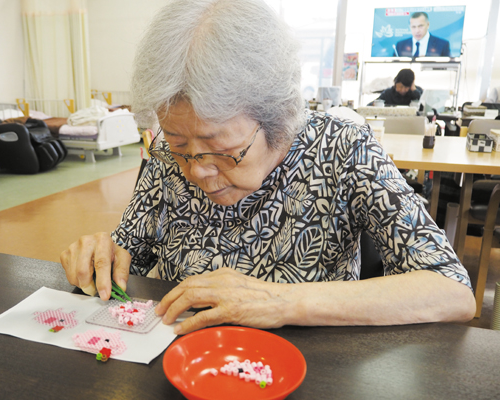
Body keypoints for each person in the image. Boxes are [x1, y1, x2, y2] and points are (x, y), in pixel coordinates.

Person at [61, 0, 475, 335]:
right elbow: (130, 251)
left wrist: (281, 301)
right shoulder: (171, 157)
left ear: (276, 118)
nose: (197, 170)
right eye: (179, 143)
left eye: (221, 149)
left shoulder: (344, 149)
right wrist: (104, 256)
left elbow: (451, 292)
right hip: (175, 361)